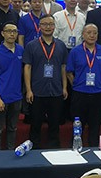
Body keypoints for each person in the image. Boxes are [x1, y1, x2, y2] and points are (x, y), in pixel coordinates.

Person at [24, 15, 68, 148]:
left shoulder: (61, 45)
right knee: (35, 124)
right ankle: (34, 150)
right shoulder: (31, 45)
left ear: (54, 26)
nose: (48, 27)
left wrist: (64, 87)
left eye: (50, 24)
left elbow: (63, 67)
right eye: (44, 24)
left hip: (56, 90)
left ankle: (53, 150)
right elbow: (27, 67)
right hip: (37, 91)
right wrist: (28, 90)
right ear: (39, 27)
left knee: (54, 124)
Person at [66, 23, 101, 148]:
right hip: (80, 94)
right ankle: (76, 151)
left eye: (95, 33)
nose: (92, 35)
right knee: (77, 127)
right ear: (83, 35)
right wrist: (76, 84)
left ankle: (94, 150)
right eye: (89, 33)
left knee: (95, 126)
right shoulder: (75, 51)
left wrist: (99, 81)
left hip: (97, 94)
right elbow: (69, 72)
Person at [0, 23, 25, 150]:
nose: (12, 34)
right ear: (3, 33)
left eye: (14, 31)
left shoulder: (21, 50)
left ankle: (10, 153)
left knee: (12, 128)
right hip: (1, 97)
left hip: (16, 97)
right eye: (9, 31)